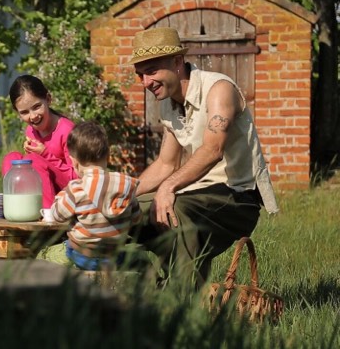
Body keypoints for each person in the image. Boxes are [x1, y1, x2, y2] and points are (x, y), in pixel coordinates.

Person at [127, 27, 279, 288]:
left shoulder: (219, 89)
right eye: (140, 75)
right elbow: (166, 164)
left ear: (176, 62)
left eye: (151, 71)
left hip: (238, 197)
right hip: (197, 194)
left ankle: (183, 300)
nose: (145, 82)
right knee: (125, 213)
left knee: (175, 209)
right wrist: (122, 193)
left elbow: (212, 149)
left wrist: (167, 187)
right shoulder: (167, 104)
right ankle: (146, 289)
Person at [40, 121, 142, 271]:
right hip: (115, 258)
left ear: (74, 162)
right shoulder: (125, 186)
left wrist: (59, 198)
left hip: (82, 257)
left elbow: (56, 216)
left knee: (43, 255)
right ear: (107, 156)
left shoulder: (76, 189)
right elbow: (136, 219)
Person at [1, 75, 78, 209]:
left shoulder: (67, 130)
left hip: (68, 195)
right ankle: (15, 208)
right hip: (41, 193)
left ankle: (47, 216)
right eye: (24, 112)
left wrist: (45, 154)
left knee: (34, 161)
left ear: (48, 99)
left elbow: (77, 177)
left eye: (36, 107)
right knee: (11, 159)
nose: (33, 116)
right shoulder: (30, 131)